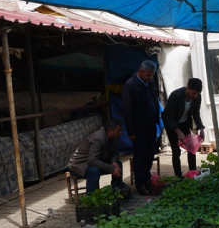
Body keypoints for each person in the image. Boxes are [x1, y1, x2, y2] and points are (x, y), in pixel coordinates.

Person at [122, 60, 160, 195]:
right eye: (148, 75)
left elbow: (155, 100)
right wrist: (131, 132)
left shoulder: (150, 83)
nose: (150, 77)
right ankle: (140, 184)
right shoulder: (130, 86)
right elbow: (127, 111)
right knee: (140, 157)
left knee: (149, 155)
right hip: (139, 129)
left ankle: (147, 179)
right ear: (141, 71)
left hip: (151, 126)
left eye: (152, 75)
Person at [162, 78, 205, 178]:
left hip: (184, 123)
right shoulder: (175, 96)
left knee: (191, 148)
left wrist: (201, 128)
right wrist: (177, 131)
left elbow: (195, 113)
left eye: (197, 94)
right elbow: (168, 115)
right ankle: (178, 176)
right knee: (176, 151)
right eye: (193, 93)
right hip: (172, 124)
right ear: (188, 88)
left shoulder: (197, 97)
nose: (195, 96)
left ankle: (192, 172)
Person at [67, 119, 123, 194]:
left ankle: (117, 190)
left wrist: (114, 161)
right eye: (118, 131)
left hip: (94, 160)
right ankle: (92, 196)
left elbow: (115, 152)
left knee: (118, 164)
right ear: (110, 131)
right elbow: (92, 160)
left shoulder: (114, 137)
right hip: (79, 164)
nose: (121, 133)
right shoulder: (98, 138)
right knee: (94, 171)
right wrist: (111, 168)